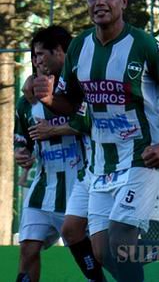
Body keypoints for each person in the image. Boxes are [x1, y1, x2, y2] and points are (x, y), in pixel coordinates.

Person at [33, 0, 159, 282]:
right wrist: (51, 98)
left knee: (121, 241)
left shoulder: (145, 45)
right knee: (103, 253)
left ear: (123, 1)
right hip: (100, 165)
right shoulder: (80, 46)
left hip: (141, 159)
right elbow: (71, 103)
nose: (100, 2)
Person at [14, 25, 107, 282]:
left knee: (97, 252)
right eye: (33, 55)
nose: (36, 60)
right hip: (43, 186)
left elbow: (91, 123)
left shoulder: (77, 90)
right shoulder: (26, 102)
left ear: (61, 53)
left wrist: (54, 130)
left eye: (41, 54)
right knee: (28, 248)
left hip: (78, 183)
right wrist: (22, 154)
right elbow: (23, 142)